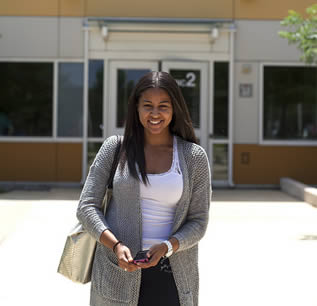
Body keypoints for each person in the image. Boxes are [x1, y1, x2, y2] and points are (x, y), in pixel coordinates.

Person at [77, 71, 211, 306]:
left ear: (175, 109)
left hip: (173, 274)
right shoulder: (115, 148)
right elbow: (86, 207)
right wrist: (116, 246)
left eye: (164, 106)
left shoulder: (193, 157)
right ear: (136, 108)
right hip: (118, 270)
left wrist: (168, 247)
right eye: (147, 105)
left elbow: (198, 222)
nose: (155, 113)